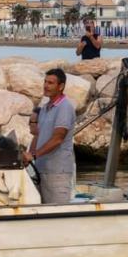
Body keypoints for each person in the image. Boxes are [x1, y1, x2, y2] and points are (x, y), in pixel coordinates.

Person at [23, 69, 76, 204]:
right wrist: (28, 156)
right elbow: (38, 135)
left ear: (61, 86)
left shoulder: (64, 107)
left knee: (58, 215)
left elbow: (58, 138)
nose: (46, 86)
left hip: (57, 173)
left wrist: (34, 156)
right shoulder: (45, 107)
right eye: (45, 82)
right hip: (42, 170)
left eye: (51, 83)